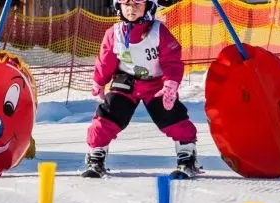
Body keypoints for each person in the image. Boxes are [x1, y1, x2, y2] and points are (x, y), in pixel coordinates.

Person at [84, 0, 198, 177]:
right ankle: (96, 155)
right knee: (109, 112)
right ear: (119, 7)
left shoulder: (158, 32)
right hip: (126, 80)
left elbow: (171, 60)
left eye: (137, 4)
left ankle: (187, 155)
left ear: (148, 7)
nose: (131, 9)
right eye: (126, 4)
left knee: (170, 114)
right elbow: (105, 61)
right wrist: (99, 81)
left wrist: (170, 84)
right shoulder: (114, 33)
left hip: (156, 82)